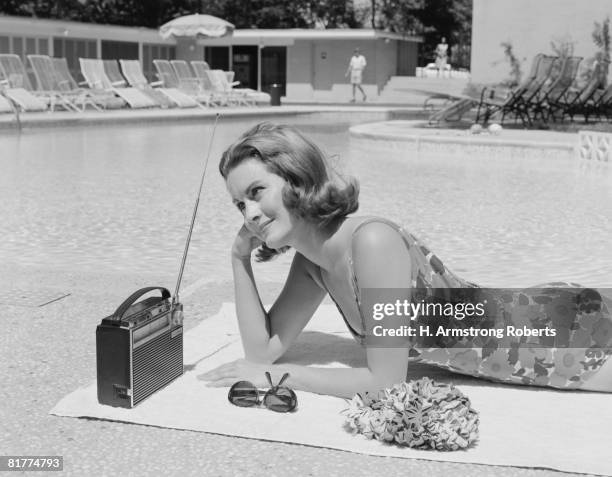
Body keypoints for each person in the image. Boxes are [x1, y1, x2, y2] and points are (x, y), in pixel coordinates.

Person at [200, 122, 612, 398]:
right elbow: (261, 351)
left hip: (564, 337)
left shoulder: (373, 242)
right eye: (239, 204)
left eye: (256, 192)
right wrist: (239, 260)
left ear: (295, 178)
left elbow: (384, 383)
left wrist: (275, 379)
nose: (249, 214)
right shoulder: (312, 264)